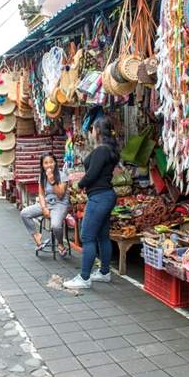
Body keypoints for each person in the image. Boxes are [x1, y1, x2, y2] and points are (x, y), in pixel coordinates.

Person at [64, 116, 119, 289]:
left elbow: (92, 174)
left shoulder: (101, 150)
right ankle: (104, 272)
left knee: (87, 236)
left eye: (92, 129)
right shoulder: (107, 149)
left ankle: (85, 277)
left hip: (99, 197)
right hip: (105, 195)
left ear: (97, 131)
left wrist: (80, 184)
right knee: (102, 236)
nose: (91, 132)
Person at [20, 153, 70, 257]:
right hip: (47, 203)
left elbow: (60, 195)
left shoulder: (62, 176)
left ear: (55, 163)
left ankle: (60, 243)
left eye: (51, 162)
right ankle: (36, 236)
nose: (49, 165)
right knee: (24, 213)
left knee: (55, 225)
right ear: (42, 165)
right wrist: (44, 208)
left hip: (60, 204)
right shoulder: (42, 177)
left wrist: (52, 180)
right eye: (46, 163)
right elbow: (41, 194)